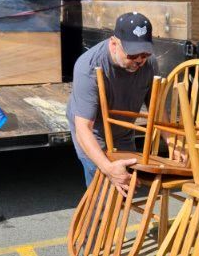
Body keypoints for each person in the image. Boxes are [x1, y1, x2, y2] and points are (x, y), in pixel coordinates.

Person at [67, 12, 158, 195]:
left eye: (145, 53)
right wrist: (108, 168)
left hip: (123, 131)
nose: (140, 60)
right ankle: (96, 221)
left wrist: (173, 142)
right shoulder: (89, 67)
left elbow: (157, 107)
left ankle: (116, 222)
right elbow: (83, 127)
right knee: (100, 192)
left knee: (124, 190)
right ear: (114, 43)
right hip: (94, 134)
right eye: (133, 54)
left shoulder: (149, 64)